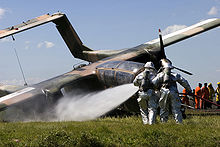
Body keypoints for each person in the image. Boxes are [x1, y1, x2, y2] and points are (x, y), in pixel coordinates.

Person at [152, 59, 192, 124]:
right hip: (174, 92)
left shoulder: (160, 75)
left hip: (164, 92)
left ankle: (163, 122)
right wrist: (189, 90)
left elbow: (153, 83)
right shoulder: (175, 75)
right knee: (176, 108)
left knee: (163, 108)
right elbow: (184, 82)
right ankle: (179, 122)